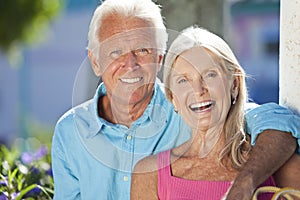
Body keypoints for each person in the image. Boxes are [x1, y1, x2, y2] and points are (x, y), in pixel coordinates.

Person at [51, 0, 300, 199]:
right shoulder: (70, 131)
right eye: (115, 52)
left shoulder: (194, 109)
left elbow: (279, 122)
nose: (130, 64)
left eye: (143, 51)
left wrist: (245, 181)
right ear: (95, 61)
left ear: (159, 58)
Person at [130, 26, 300, 200]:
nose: (198, 90)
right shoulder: (149, 174)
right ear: (173, 98)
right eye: (183, 80)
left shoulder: (276, 165)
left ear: (234, 85)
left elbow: (285, 123)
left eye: (210, 75)